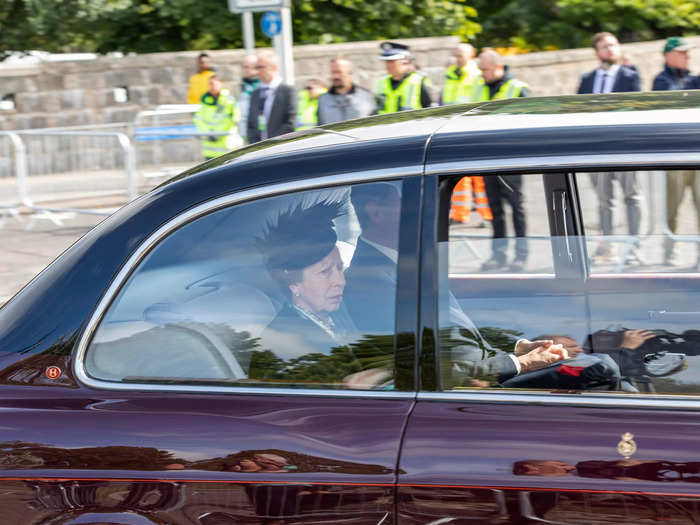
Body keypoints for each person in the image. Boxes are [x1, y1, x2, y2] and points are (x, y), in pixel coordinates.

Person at [343, 183, 568, 387]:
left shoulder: (401, 261)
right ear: (376, 212)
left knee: (592, 365)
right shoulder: (371, 284)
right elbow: (439, 365)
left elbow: (454, 330)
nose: (427, 212)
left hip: (486, 370)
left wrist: (517, 348)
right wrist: (522, 363)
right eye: (410, 201)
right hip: (475, 386)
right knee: (597, 369)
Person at [252, 200, 368, 386]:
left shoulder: (335, 316)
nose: (341, 281)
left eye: (340, 268)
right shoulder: (287, 347)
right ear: (294, 284)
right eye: (325, 272)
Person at [577, 32, 642, 265]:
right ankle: (608, 248)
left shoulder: (631, 77)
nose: (611, 50)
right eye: (605, 46)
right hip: (597, 151)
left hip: (625, 149)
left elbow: (636, 109)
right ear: (597, 52)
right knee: (604, 202)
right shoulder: (587, 80)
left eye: (614, 45)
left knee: (632, 198)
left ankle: (633, 250)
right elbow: (579, 113)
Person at [472, 50, 530, 271]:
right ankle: (498, 255)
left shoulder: (517, 88)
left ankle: (521, 256)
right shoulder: (479, 87)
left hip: (511, 158)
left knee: (516, 208)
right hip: (486, 157)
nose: (481, 73)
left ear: (498, 67)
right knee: (495, 210)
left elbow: (529, 123)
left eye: (484, 69)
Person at [652, 37, 700, 265]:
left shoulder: (695, 78)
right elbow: (667, 107)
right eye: (682, 52)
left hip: (696, 153)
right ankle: (668, 253)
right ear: (668, 55)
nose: (687, 56)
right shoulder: (660, 82)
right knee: (671, 208)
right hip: (675, 157)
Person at [246, 50, 297, 143]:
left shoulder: (287, 92)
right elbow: (250, 125)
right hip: (258, 149)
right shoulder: (255, 94)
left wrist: (271, 144)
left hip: (279, 148)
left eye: (260, 67)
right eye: (256, 67)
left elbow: (289, 123)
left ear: (273, 67)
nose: (257, 72)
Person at [192, 75, 241, 160]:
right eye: (209, 84)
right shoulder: (205, 102)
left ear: (221, 84)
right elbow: (198, 120)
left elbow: (233, 120)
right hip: (210, 150)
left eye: (213, 83)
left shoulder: (229, 101)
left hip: (227, 148)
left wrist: (217, 134)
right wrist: (208, 133)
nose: (211, 86)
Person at [375, 42, 432, 114]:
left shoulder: (417, 81)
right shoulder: (382, 82)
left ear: (405, 61)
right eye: (386, 61)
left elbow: (429, 111)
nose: (388, 65)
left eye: (392, 61)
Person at [317, 57, 377, 125]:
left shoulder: (366, 97)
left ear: (350, 73)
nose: (335, 76)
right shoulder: (323, 100)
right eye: (333, 72)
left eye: (339, 72)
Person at [238, 54, 260, 144]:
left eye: (247, 67)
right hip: (246, 133)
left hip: (257, 134)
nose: (244, 70)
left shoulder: (261, 85)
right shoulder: (244, 84)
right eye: (243, 67)